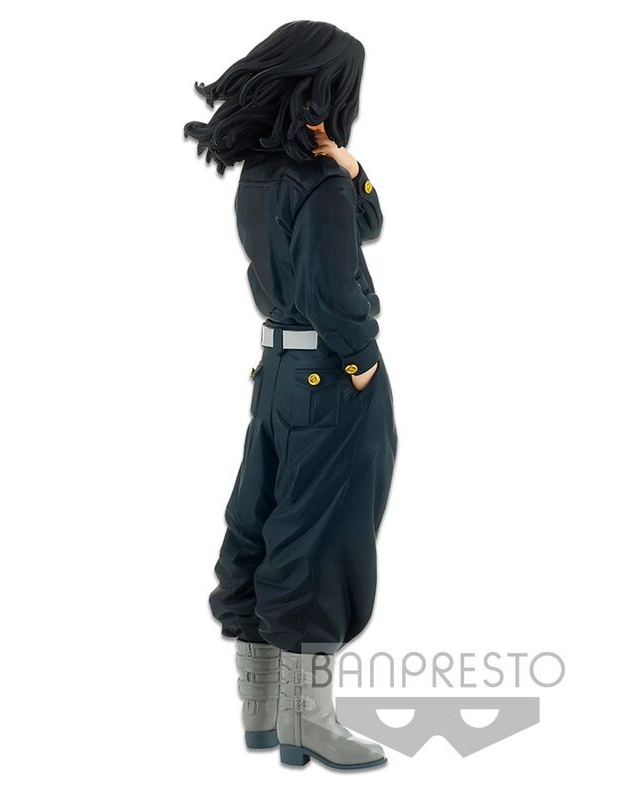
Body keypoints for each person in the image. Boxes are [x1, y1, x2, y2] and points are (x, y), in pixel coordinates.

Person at [184, 20, 398, 770]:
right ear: (329, 88)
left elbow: (365, 225)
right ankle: (308, 722)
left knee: (262, 519)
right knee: (323, 536)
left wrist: (350, 165)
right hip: (331, 377)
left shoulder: (265, 172)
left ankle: (264, 713)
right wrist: (361, 360)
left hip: (275, 374)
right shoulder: (318, 185)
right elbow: (333, 286)